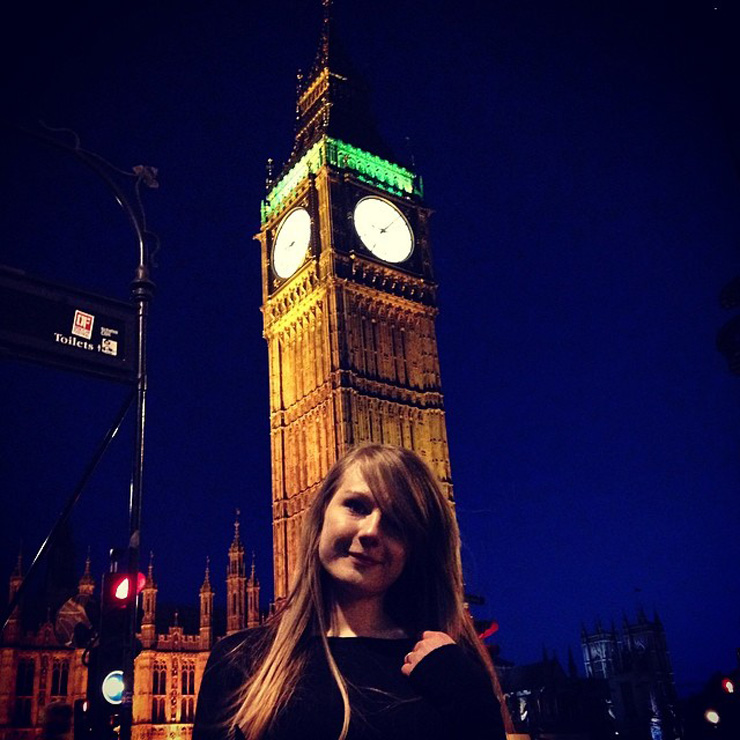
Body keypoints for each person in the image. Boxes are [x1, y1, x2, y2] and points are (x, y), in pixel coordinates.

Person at [193, 443, 505, 740]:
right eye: (356, 506)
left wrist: (472, 700)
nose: (371, 531)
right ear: (320, 515)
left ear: (416, 548)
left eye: (397, 523)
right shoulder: (242, 662)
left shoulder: (448, 669)